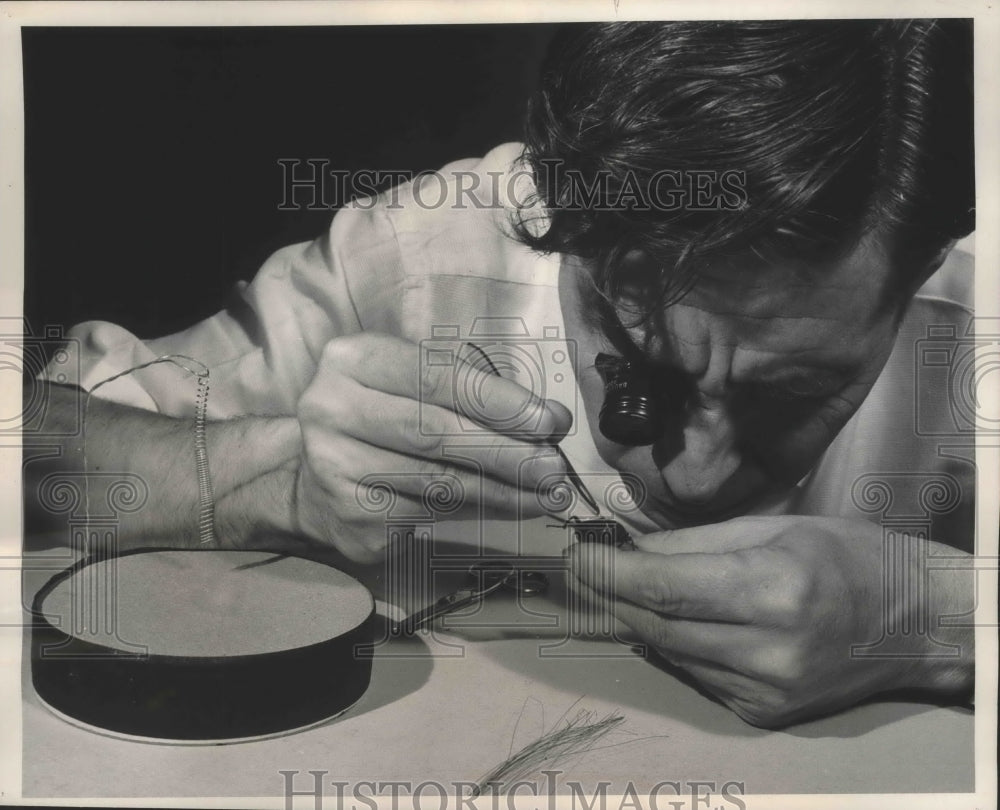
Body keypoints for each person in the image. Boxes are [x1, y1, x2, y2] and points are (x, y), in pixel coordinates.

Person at [29, 20, 976, 728]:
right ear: (552, 210)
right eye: (641, 367)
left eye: (791, 398)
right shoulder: (421, 253)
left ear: (928, 263)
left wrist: (930, 617)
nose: (694, 477)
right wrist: (263, 478)